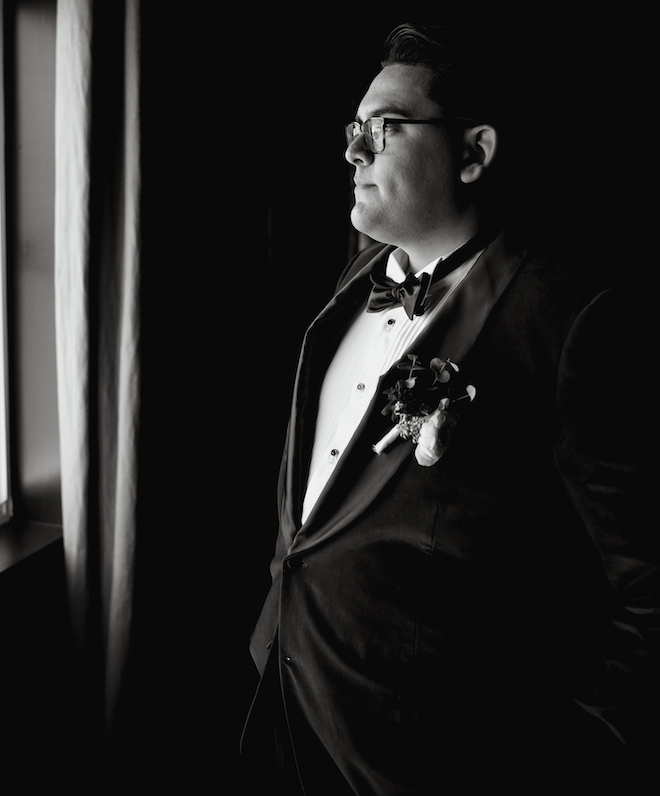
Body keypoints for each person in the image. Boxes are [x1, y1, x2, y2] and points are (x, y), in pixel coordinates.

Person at [241, 22, 658, 795]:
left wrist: (578, 761)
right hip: (288, 705)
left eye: (385, 128)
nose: (354, 151)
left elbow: (647, 590)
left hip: (431, 758)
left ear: (474, 153)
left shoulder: (571, 322)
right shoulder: (351, 282)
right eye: (353, 129)